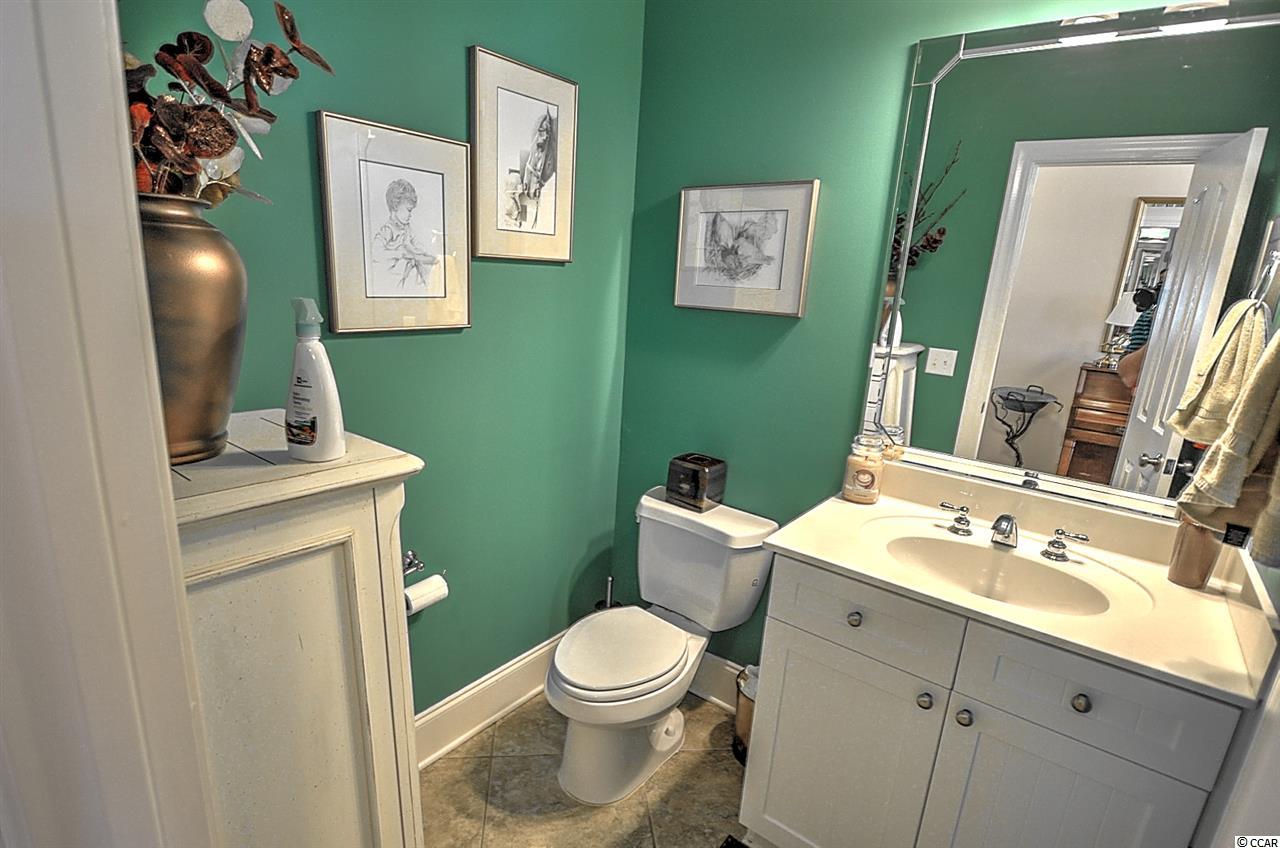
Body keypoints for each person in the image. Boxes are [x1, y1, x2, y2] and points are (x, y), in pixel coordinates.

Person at [371, 178, 435, 290]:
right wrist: (399, 254)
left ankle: (429, 288)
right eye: (409, 210)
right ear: (395, 206)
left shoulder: (406, 227)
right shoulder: (388, 229)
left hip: (408, 268)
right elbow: (375, 252)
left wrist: (423, 252)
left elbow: (415, 243)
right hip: (393, 272)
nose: (410, 215)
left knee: (423, 265)